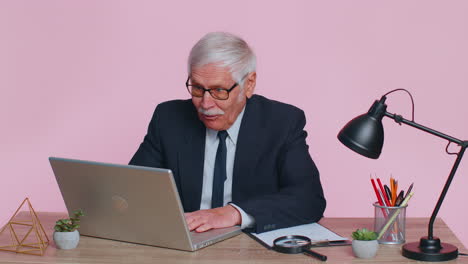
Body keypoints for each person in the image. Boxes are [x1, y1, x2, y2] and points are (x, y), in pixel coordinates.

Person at [130, 32, 326, 234]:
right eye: (197, 88)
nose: (205, 104)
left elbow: (309, 199)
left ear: (249, 84)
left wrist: (234, 213)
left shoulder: (282, 122)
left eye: (219, 91)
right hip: (187, 241)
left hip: (250, 247)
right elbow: (133, 189)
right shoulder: (168, 118)